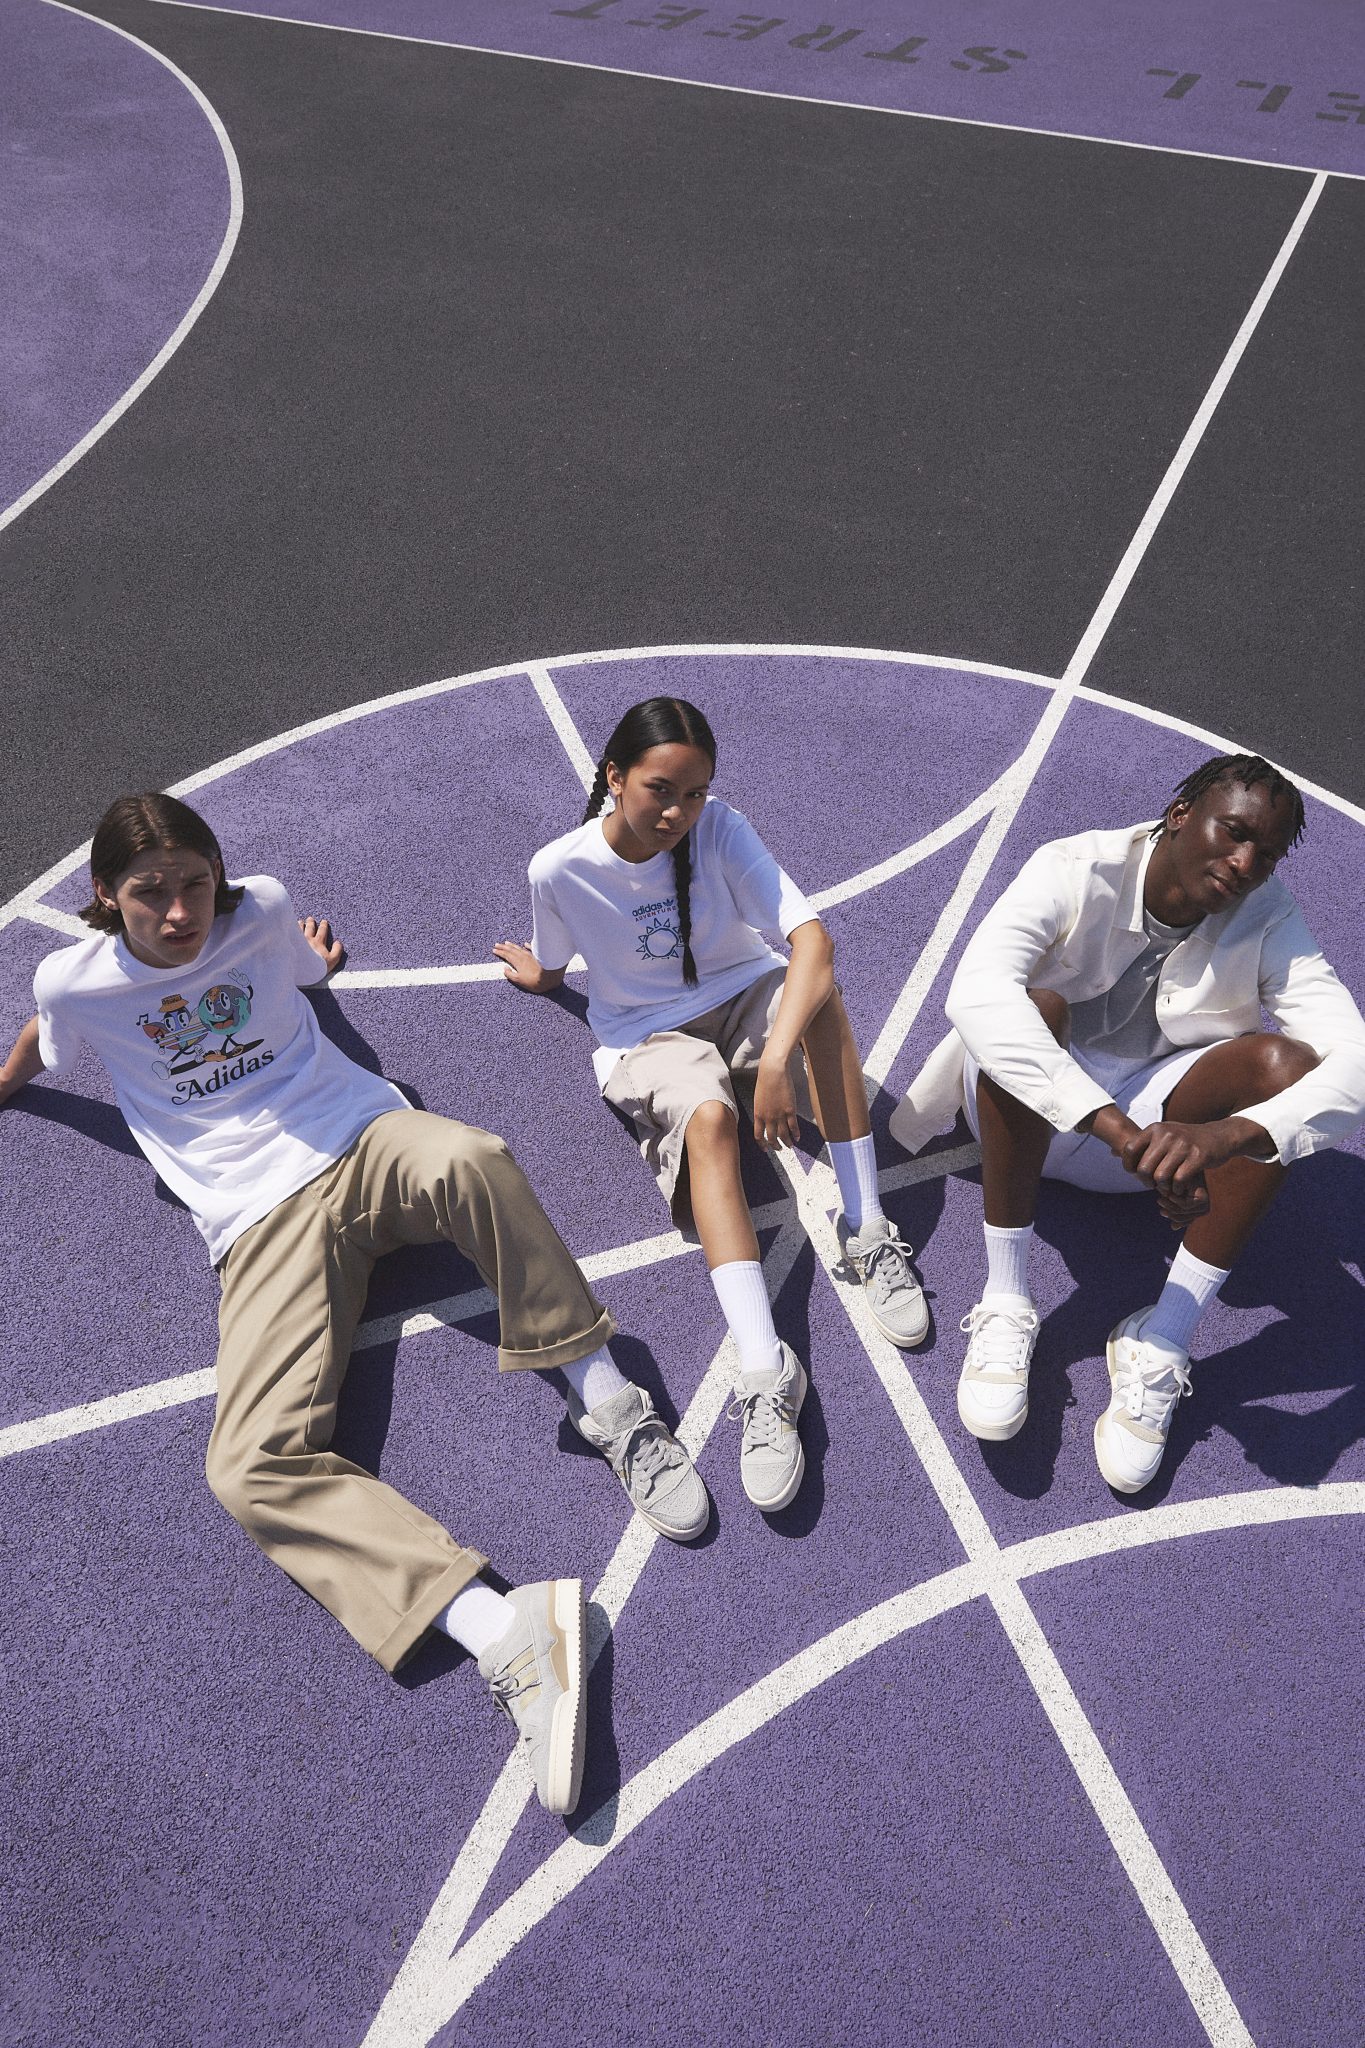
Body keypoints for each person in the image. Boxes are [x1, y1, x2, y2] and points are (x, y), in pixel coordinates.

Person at [0, 794, 711, 1815]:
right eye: (150, 892)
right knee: (248, 1466)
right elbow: (46, 1032)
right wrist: (7, 1080)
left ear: (219, 872)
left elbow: (297, 963)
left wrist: (313, 964)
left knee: (472, 1156)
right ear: (107, 895)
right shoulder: (76, 979)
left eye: (195, 882)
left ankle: (607, 1396)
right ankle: (505, 1629)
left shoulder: (259, 908)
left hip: (363, 1138)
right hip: (258, 1219)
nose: (179, 911)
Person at [495, 696, 926, 1514]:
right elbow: (554, 961)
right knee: (710, 1119)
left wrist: (774, 1064)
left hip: (743, 996)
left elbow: (812, 943)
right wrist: (540, 978)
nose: (678, 813)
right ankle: (766, 1370)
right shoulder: (558, 868)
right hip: (646, 1035)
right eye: (660, 790)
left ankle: (866, 1227)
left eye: (693, 794)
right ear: (614, 777)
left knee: (819, 999)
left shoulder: (720, 829)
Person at [890, 754, 1365, 1493]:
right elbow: (977, 993)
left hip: (1146, 1145)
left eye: (1266, 855)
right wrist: (1115, 1129)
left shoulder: (1269, 916)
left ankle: (1162, 1335)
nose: (1245, 865)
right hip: (1027, 1120)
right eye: (1233, 833)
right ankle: (1007, 1299)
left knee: (1284, 1066)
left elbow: (1355, 1060)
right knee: (1035, 1009)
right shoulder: (1074, 867)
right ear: (1180, 814)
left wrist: (1223, 1136)